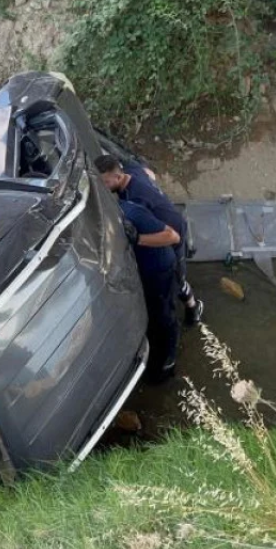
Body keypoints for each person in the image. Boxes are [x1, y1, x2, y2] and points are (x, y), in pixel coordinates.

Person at [94, 155, 203, 326]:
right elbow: (149, 173)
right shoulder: (132, 171)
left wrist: (138, 238)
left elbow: (171, 236)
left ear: (118, 176)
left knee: (176, 280)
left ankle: (193, 308)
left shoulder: (136, 200)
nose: (104, 188)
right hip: (170, 217)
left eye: (106, 183)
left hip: (174, 232)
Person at [119, 200, 182, 383]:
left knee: (164, 317)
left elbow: (173, 236)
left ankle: (167, 362)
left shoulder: (131, 212)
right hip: (144, 272)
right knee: (153, 315)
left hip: (161, 271)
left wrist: (138, 238)